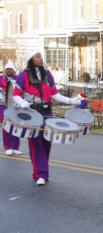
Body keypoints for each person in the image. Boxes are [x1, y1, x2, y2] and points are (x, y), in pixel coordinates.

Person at [13, 50, 82, 186]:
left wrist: (70, 101)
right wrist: (22, 103)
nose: (41, 58)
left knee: (47, 143)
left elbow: (54, 94)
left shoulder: (47, 74)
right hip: (32, 113)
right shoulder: (24, 75)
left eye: (40, 56)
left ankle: (38, 173)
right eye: (37, 56)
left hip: (47, 112)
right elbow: (16, 94)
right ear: (31, 59)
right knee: (36, 144)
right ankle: (42, 174)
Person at [0, 61, 22, 155]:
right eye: (7, 69)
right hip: (3, 105)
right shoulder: (1, 79)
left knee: (16, 126)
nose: (9, 71)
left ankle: (15, 147)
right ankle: (8, 147)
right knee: (7, 126)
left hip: (15, 106)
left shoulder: (18, 79)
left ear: (14, 70)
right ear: (5, 70)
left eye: (11, 69)